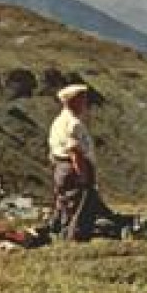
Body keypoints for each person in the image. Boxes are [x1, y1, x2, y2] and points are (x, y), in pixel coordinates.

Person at [49, 83, 118, 241]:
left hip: (61, 168)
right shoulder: (73, 124)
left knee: (67, 205)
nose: (85, 103)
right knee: (80, 207)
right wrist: (83, 175)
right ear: (73, 101)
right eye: (82, 99)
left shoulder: (58, 121)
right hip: (74, 168)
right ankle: (75, 239)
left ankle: (61, 234)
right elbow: (75, 152)